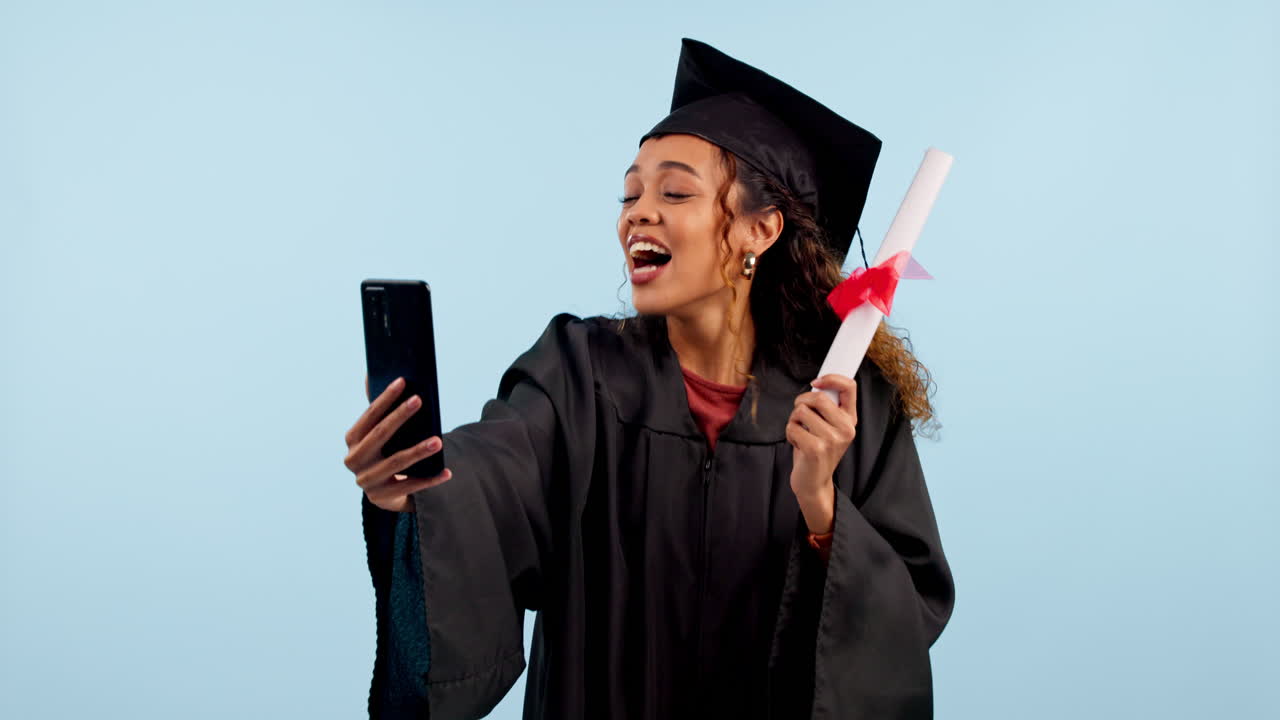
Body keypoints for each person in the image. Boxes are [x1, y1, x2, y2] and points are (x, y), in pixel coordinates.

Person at [346, 38, 955, 720]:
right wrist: (419, 487)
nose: (636, 211)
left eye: (674, 192)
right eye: (630, 193)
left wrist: (822, 507)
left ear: (761, 230)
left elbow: (907, 614)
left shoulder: (847, 405)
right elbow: (491, 475)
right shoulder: (577, 374)